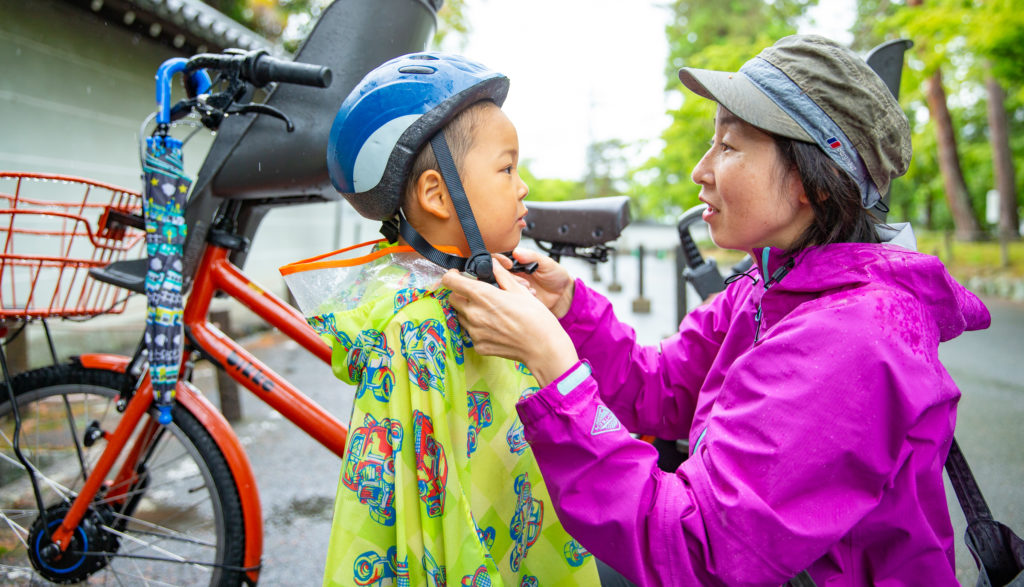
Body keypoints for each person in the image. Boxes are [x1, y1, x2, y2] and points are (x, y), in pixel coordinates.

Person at [441, 35, 992, 586]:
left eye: (729, 147)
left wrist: (555, 371)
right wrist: (567, 309)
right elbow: (660, 387)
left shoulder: (852, 339)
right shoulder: (771, 287)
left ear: (813, 181)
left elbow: (695, 550)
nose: (701, 170)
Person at [281, 52, 599, 586]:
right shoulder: (417, 335)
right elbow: (429, 519)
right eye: (507, 168)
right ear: (436, 194)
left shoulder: (488, 300)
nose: (522, 186)